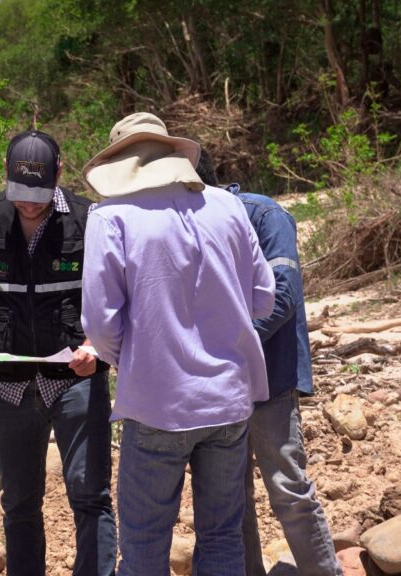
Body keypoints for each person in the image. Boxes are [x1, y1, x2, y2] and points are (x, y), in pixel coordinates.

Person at [80, 112, 276, 576]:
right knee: (223, 536)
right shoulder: (227, 207)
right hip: (229, 399)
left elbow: (99, 324)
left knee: (144, 546)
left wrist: (135, 360)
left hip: (157, 404)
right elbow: (264, 298)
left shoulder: (110, 216)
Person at [0, 129, 116, 576]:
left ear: (59, 173)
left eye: (39, 195)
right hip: (9, 386)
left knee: (89, 495)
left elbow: (113, 295)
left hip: (76, 379)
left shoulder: (91, 219)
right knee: (19, 503)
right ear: (5, 172)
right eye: (20, 194)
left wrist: (95, 346)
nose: (30, 205)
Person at [194, 151, 342, 576]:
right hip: (219, 382)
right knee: (230, 498)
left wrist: (227, 346)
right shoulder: (184, 223)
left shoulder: (264, 215)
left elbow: (283, 294)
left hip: (269, 377)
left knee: (287, 487)